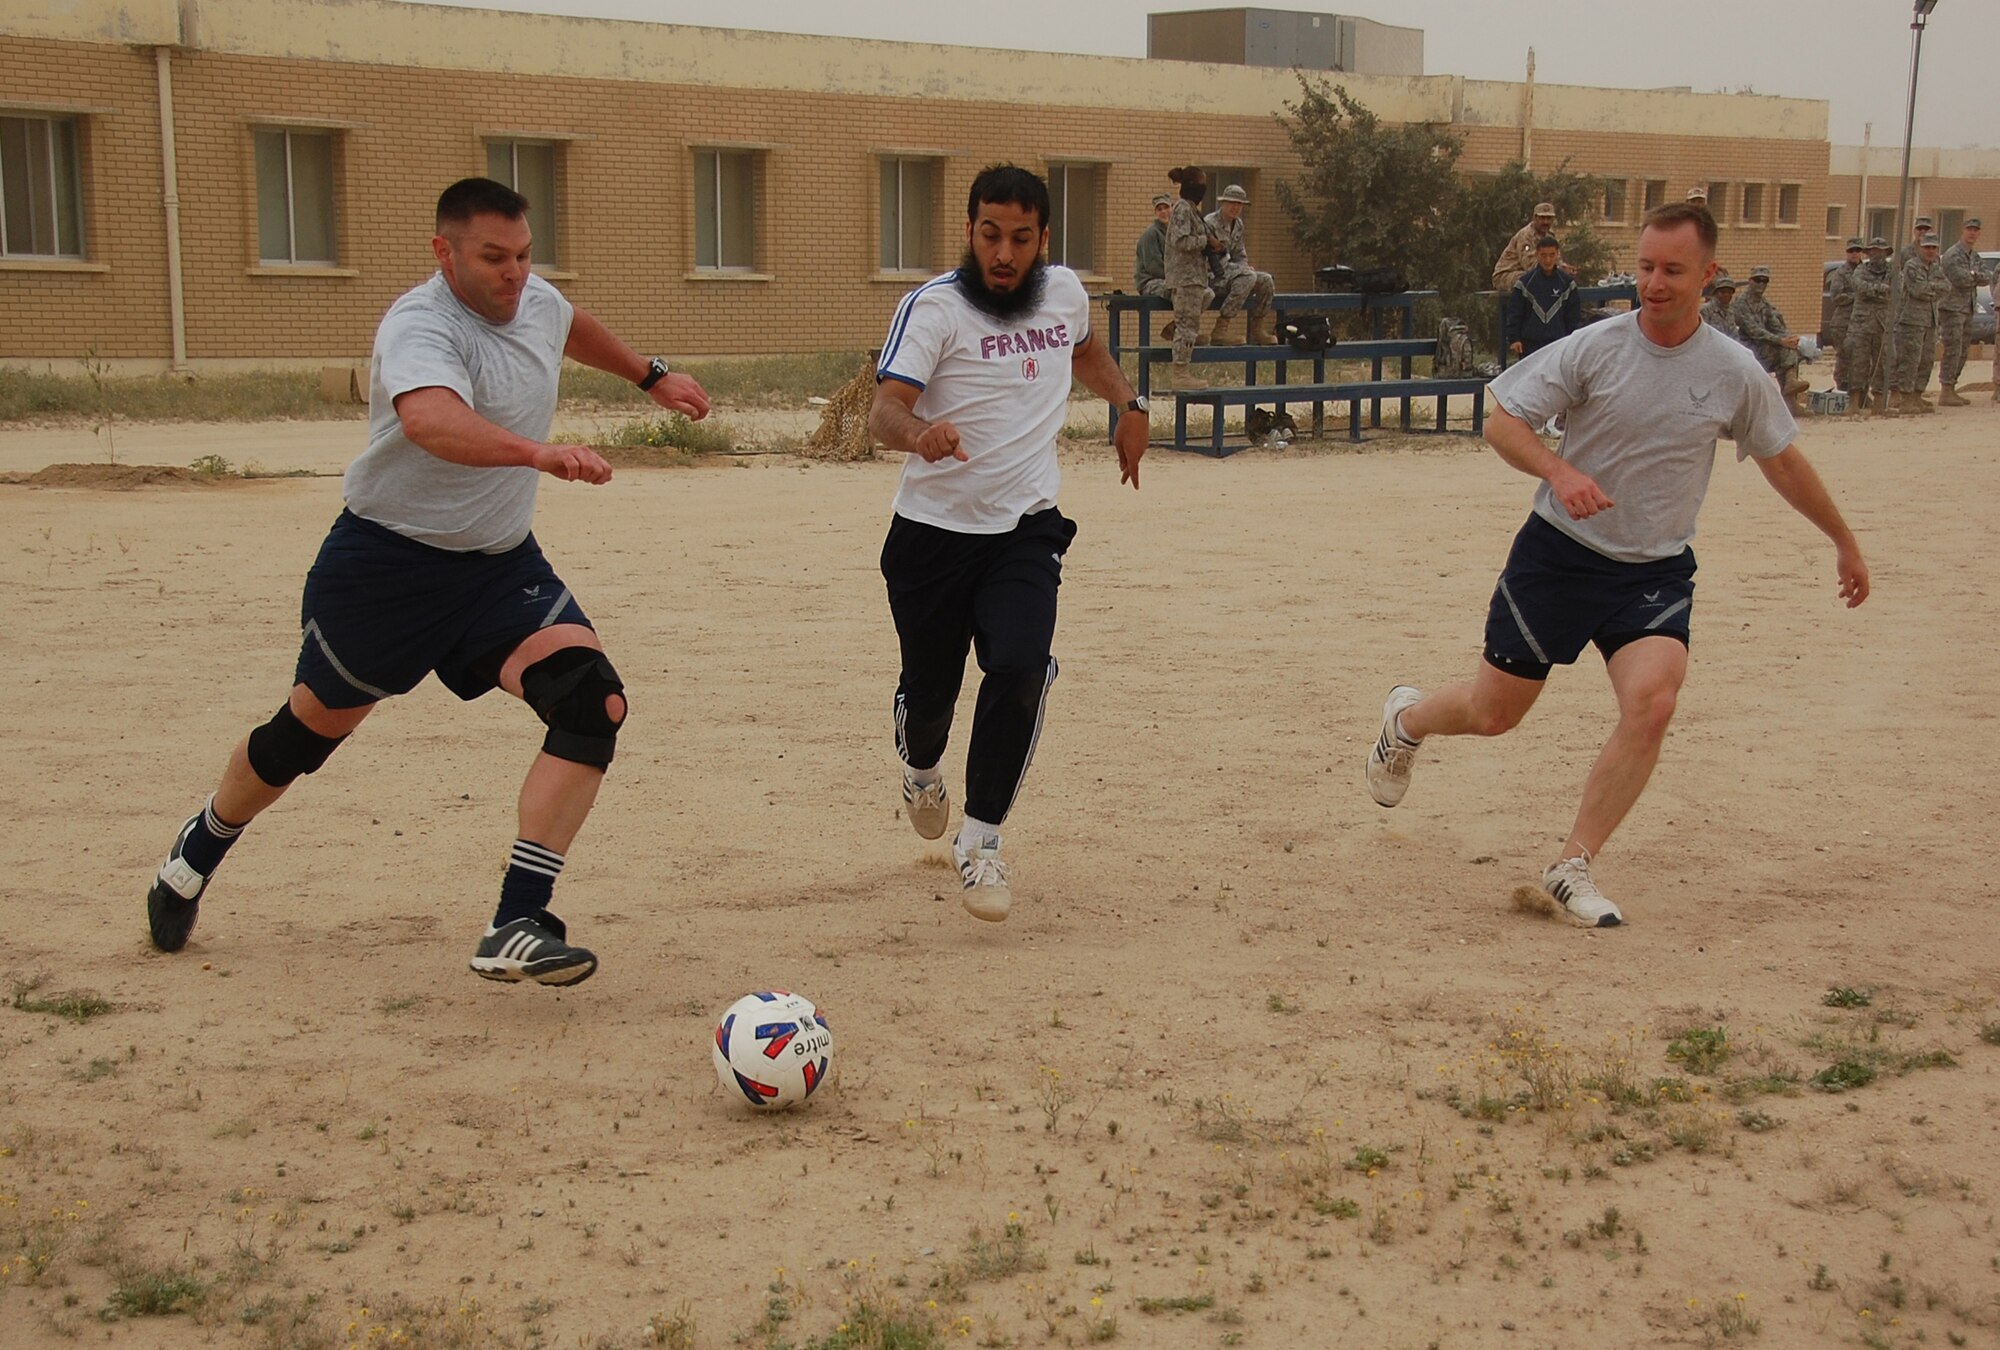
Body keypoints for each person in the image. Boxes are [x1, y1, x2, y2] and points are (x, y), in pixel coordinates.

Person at [143, 177, 712, 985]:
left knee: (593, 702)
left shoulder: (533, 294)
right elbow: (430, 420)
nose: (514, 274)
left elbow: (567, 323)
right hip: (387, 566)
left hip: (496, 565)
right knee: (303, 737)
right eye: (492, 258)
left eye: (522, 255)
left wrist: (649, 374)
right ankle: (199, 846)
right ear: (444, 252)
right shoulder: (420, 325)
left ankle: (518, 919)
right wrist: (537, 453)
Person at [1363, 201, 1869, 928]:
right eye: (1644, 267)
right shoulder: (1595, 347)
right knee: (1493, 713)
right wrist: (1560, 473)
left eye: (1672, 270)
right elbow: (1501, 419)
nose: (1654, 283)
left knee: (1654, 703)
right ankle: (1406, 720)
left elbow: (1782, 460)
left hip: (1654, 572)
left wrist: (1843, 541)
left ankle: (1572, 865)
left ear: (1708, 274)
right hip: (1559, 558)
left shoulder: (1734, 371)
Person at [868, 164, 1148, 923]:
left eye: (1020, 239)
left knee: (1023, 667)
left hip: (1025, 529)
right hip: (932, 538)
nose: (1003, 253)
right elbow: (884, 408)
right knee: (931, 698)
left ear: (1043, 240)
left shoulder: (1062, 293)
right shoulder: (935, 309)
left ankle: (982, 839)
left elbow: (1084, 351)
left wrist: (1130, 403)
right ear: (969, 231)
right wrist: (921, 434)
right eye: (990, 235)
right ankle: (921, 767)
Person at [1162, 167, 1217, 388]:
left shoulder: (1193, 210)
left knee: (1202, 304)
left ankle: (1175, 333)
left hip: (1196, 278)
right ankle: (1180, 373)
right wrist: (1206, 241)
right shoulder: (1183, 209)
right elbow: (1181, 241)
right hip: (1185, 278)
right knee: (1187, 325)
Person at [1203, 184, 1277, 345]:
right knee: (1247, 276)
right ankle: (1220, 329)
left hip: (1233, 274)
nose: (1235, 207)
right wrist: (1241, 270)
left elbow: (1239, 255)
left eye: (1239, 204)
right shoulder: (1209, 223)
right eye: (1231, 203)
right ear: (1223, 203)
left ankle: (1257, 329)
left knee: (1266, 280)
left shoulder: (1238, 225)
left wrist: (1243, 267)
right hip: (1212, 276)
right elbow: (1212, 260)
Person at [1733, 266, 1808, 413]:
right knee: (1782, 349)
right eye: (1757, 280)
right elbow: (1753, 331)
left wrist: (1789, 337)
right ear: (1750, 281)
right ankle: (1790, 391)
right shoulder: (1741, 303)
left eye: (1764, 281)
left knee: (1789, 349)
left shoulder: (1764, 303)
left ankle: (1791, 394)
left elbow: (1775, 325)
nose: (1761, 284)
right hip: (1748, 345)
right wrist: (1780, 341)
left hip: (1764, 344)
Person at [1936, 218, 1992, 406]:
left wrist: (1974, 276)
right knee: (1953, 348)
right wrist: (1974, 276)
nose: (1972, 233)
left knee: (1962, 350)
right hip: (1952, 308)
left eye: (1976, 230)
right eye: (1969, 229)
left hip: (1967, 307)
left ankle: (1952, 387)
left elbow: (1987, 277)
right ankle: (1945, 389)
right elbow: (1959, 279)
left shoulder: (1974, 256)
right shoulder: (1953, 254)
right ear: (1963, 230)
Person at [1891, 234, 1948, 414]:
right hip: (1912, 321)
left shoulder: (1936, 267)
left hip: (1931, 321)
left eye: (1933, 248)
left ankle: (1917, 395)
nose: (1930, 251)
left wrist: (1931, 288)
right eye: (1927, 247)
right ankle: (1905, 398)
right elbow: (1917, 290)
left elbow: (1946, 287)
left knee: (1926, 359)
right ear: (1920, 248)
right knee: (1910, 360)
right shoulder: (1911, 266)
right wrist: (1933, 289)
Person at [1503, 235, 1583, 358]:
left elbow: (1573, 316)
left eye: (1552, 255)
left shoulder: (1567, 284)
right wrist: (1515, 339)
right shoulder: (1525, 283)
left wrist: (1573, 341)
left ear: (1557, 255)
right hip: (1530, 346)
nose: (1548, 260)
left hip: (1559, 344)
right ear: (1537, 255)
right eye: (1543, 255)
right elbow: (1515, 312)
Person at [1844, 239, 1895, 414]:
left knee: (1882, 363)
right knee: (1858, 362)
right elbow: (1859, 286)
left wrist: (1877, 291)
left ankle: (1880, 403)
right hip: (1862, 325)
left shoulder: (1893, 271)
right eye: (1872, 251)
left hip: (1883, 324)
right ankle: (1854, 404)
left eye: (1880, 251)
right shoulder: (1861, 270)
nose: (1876, 255)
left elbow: (1897, 290)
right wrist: (1881, 290)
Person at [1492, 202, 1564, 293]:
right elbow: (1531, 265)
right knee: (1533, 280)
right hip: (1506, 275)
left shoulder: (1550, 236)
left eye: (1549, 218)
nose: (1545, 222)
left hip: (1527, 274)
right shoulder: (1526, 235)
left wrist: (1563, 268)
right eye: (1542, 218)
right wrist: (1557, 269)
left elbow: (1555, 258)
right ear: (1534, 218)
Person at [1825, 238, 1863, 392]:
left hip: (1862, 322)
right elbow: (1837, 296)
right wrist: (1858, 296)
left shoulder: (1865, 271)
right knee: (1844, 357)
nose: (1854, 254)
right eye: (1851, 251)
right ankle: (1842, 388)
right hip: (1843, 322)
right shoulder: (1840, 273)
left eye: (1857, 250)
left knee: (1860, 359)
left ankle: (1858, 391)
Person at [1133, 191, 1173, 298]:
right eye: (1159, 209)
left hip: (1169, 279)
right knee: (1178, 290)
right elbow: (1154, 267)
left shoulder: (1174, 233)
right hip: (1149, 282)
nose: (1163, 212)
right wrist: (1176, 276)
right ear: (1155, 212)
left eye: (1166, 208)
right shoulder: (1151, 234)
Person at [1698, 274, 1742, 340]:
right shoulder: (1705, 309)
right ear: (1716, 293)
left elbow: (1734, 334)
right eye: (1723, 292)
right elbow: (1701, 334)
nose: (1726, 295)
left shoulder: (1731, 311)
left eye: (1729, 292)